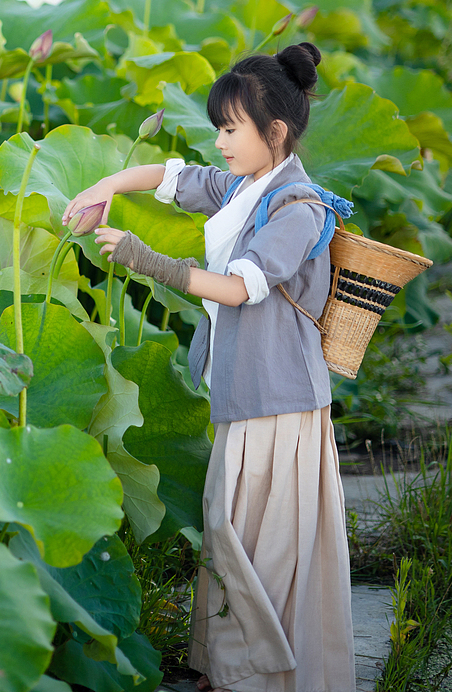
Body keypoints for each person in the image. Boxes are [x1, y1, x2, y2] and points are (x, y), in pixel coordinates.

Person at [61, 42, 355, 692]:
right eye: (219, 127)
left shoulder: (299, 210)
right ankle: (234, 670)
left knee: (258, 544)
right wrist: (105, 185)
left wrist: (146, 259)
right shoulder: (245, 187)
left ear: (273, 133)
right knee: (231, 537)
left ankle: (269, 671)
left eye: (230, 128)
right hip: (239, 388)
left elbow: (240, 287)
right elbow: (173, 176)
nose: (219, 140)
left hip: (282, 400)